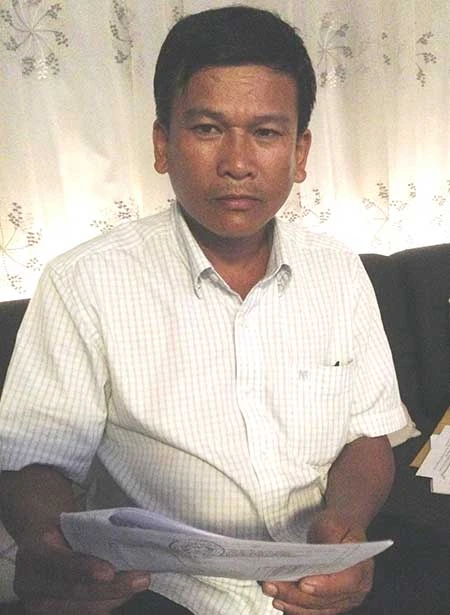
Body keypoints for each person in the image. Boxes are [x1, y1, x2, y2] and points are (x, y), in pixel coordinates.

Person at [0, 6, 406, 615]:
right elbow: (35, 458)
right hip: (160, 593)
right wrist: (46, 543)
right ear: (163, 144)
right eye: (209, 128)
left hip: (311, 582)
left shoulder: (339, 270)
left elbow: (369, 435)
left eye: (266, 133)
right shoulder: (83, 282)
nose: (237, 163)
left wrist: (344, 526)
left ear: (300, 152)